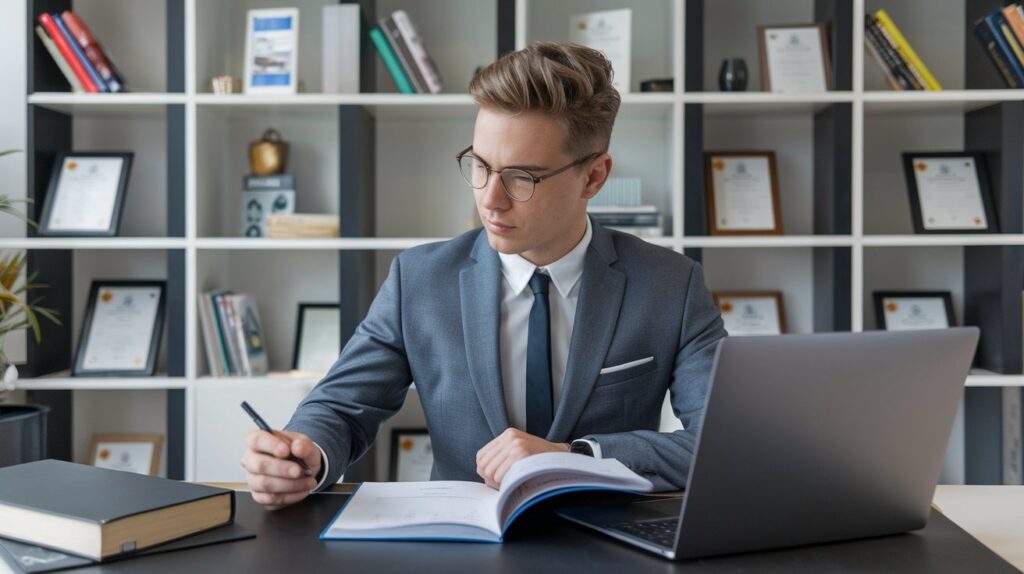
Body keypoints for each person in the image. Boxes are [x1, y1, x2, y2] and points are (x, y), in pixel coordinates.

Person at [240, 42, 726, 508]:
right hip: (462, 547)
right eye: (480, 165)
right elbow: (342, 408)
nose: (489, 199)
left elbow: (720, 442)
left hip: (610, 544)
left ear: (594, 177)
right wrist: (304, 452)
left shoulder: (672, 285)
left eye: (522, 177)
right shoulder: (419, 279)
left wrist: (578, 459)